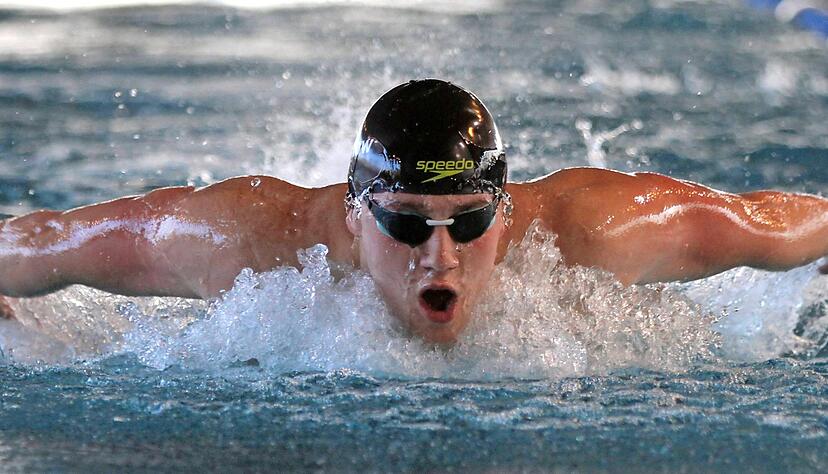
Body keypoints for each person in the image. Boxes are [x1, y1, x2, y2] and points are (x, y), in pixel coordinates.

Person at [1, 79, 827, 343]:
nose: (441, 256)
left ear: (506, 213)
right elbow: (51, 240)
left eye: (468, 221)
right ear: (355, 215)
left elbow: (767, 222)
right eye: (405, 222)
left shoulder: (594, 231)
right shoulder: (248, 241)